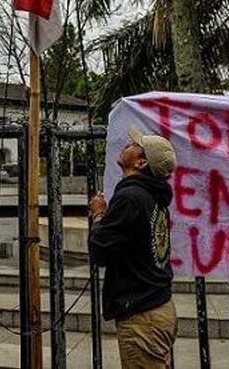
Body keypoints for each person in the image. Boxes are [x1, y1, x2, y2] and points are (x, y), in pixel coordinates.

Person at [88, 127, 178, 369]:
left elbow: (100, 250)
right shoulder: (152, 196)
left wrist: (98, 215)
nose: (128, 144)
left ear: (140, 162)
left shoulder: (131, 198)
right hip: (157, 306)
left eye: (136, 145)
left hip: (142, 316)